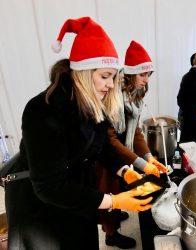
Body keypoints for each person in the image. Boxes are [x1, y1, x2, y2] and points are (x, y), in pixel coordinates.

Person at [4, 17, 152, 249]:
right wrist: (113, 200)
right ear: (83, 73)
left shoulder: (95, 102)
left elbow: (101, 146)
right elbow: (49, 188)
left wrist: (125, 170)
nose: (111, 85)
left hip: (76, 193)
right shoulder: (42, 112)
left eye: (113, 77)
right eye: (104, 76)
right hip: (40, 205)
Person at [105, 40, 168, 250]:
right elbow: (111, 140)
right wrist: (140, 163)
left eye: (149, 74)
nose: (146, 79)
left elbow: (136, 131)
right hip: (108, 155)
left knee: (121, 191)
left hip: (125, 152)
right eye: (143, 74)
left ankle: (115, 215)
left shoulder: (135, 94)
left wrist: (149, 158)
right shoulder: (113, 97)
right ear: (131, 73)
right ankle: (111, 235)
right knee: (110, 191)